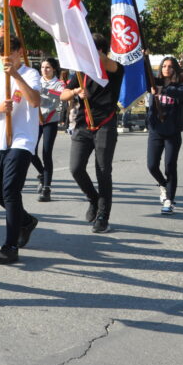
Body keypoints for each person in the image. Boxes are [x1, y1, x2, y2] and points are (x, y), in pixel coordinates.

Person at [0, 35, 42, 264]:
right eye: (2, 54)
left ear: (19, 52)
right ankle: (25, 221)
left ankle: (10, 245)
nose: (7, 58)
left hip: (22, 141)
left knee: (10, 191)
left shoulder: (30, 74)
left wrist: (15, 75)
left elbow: (35, 101)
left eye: (11, 53)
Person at [59, 33, 123, 234]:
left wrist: (89, 46)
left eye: (88, 49)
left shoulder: (113, 68)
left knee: (103, 171)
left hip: (105, 125)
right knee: (76, 168)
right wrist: (77, 91)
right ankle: (94, 199)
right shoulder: (80, 71)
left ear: (100, 50)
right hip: (83, 125)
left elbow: (109, 63)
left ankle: (103, 215)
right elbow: (63, 94)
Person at [146, 57, 183, 215]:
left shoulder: (181, 87)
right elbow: (144, 74)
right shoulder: (153, 82)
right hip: (155, 131)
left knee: (170, 166)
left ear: (175, 69)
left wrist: (162, 90)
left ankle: (169, 200)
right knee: (151, 165)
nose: (166, 69)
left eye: (170, 66)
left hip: (172, 133)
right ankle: (164, 185)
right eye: (164, 66)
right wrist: (144, 56)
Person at [31, 57, 64, 202]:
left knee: (46, 153)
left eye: (48, 67)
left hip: (50, 121)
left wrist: (43, 90)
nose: (44, 70)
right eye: (42, 67)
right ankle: (42, 173)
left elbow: (59, 96)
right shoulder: (36, 81)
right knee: (30, 151)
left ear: (54, 69)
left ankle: (46, 188)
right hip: (36, 120)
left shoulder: (59, 84)